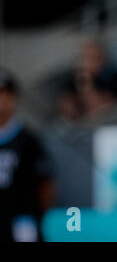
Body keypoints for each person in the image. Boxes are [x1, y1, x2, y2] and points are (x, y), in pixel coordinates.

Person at [0, 69, 54, 242]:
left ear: (13, 98)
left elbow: (46, 183)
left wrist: (35, 214)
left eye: (4, 94)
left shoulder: (28, 140)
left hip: (21, 219)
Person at [57, 39, 117, 121]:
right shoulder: (74, 77)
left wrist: (85, 81)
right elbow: (67, 112)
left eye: (93, 58)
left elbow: (100, 111)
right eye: (85, 58)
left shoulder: (113, 77)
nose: (88, 63)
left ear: (103, 59)